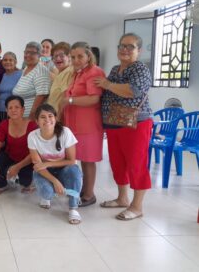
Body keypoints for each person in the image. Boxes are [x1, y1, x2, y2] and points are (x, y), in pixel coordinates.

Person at [93, 33, 153, 221]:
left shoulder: (140, 68)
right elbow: (108, 92)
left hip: (136, 124)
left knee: (136, 164)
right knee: (118, 163)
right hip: (114, 123)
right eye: (122, 46)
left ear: (139, 50)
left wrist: (107, 84)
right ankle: (122, 198)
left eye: (130, 46)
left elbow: (132, 91)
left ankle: (137, 206)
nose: (125, 50)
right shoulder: (115, 68)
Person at [60, 42, 105, 207]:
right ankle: (80, 190)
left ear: (88, 56)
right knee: (75, 158)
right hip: (73, 124)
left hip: (88, 125)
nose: (76, 60)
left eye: (80, 56)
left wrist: (70, 100)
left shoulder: (94, 72)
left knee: (88, 160)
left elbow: (94, 98)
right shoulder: (77, 73)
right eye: (73, 57)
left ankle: (89, 194)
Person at [28, 104, 82, 224]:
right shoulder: (32, 136)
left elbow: (72, 160)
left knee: (74, 170)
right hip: (45, 172)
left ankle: (73, 208)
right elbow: (38, 166)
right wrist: (55, 181)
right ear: (36, 121)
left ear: (55, 118)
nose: (47, 120)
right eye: (42, 117)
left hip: (64, 169)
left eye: (50, 116)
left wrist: (48, 164)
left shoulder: (65, 132)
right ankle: (47, 196)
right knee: (47, 193)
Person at [0, 95, 38, 195]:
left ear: (23, 109)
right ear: (6, 111)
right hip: (10, 157)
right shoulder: (4, 124)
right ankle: (2, 183)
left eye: (17, 107)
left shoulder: (32, 126)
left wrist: (17, 167)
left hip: (27, 160)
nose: (13, 110)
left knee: (25, 183)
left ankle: (28, 181)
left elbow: (35, 153)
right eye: (10, 108)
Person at [13, 41, 50, 120]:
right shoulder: (26, 68)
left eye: (32, 53)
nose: (28, 55)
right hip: (21, 117)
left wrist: (30, 119)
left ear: (39, 55)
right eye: (26, 52)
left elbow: (41, 96)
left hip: (29, 118)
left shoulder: (40, 71)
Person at [47, 42, 74, 117]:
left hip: (59, 117)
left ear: (69, 57)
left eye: (62, 56)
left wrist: (58, 118)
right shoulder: (60, 73)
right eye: (55, 56)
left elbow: (65, 98)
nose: (58, 58)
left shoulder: (68, 72)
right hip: (53, 115)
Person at [0, 52, 22, 121]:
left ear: (15, 62)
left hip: (12, 111)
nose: (7, 62)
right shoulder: (3, 75)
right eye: (5, 60)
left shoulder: (21, 74)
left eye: (10, 60)